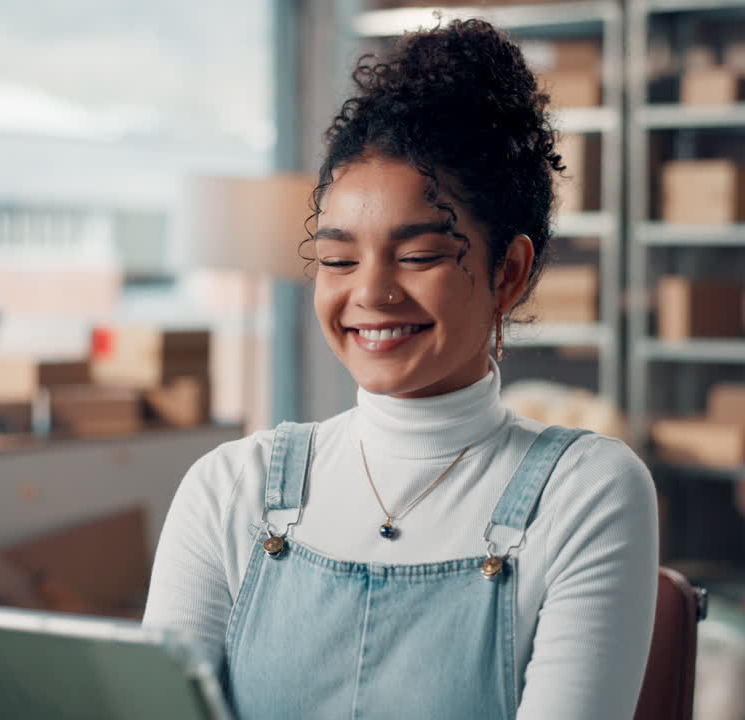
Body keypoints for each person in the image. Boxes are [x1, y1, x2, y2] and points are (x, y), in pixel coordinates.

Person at [143, 18, 658, 720]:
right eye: (338, 259)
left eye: (416, 257)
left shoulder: (584, 492)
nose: (371, 293)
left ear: (508, 272)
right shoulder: (229, 490)